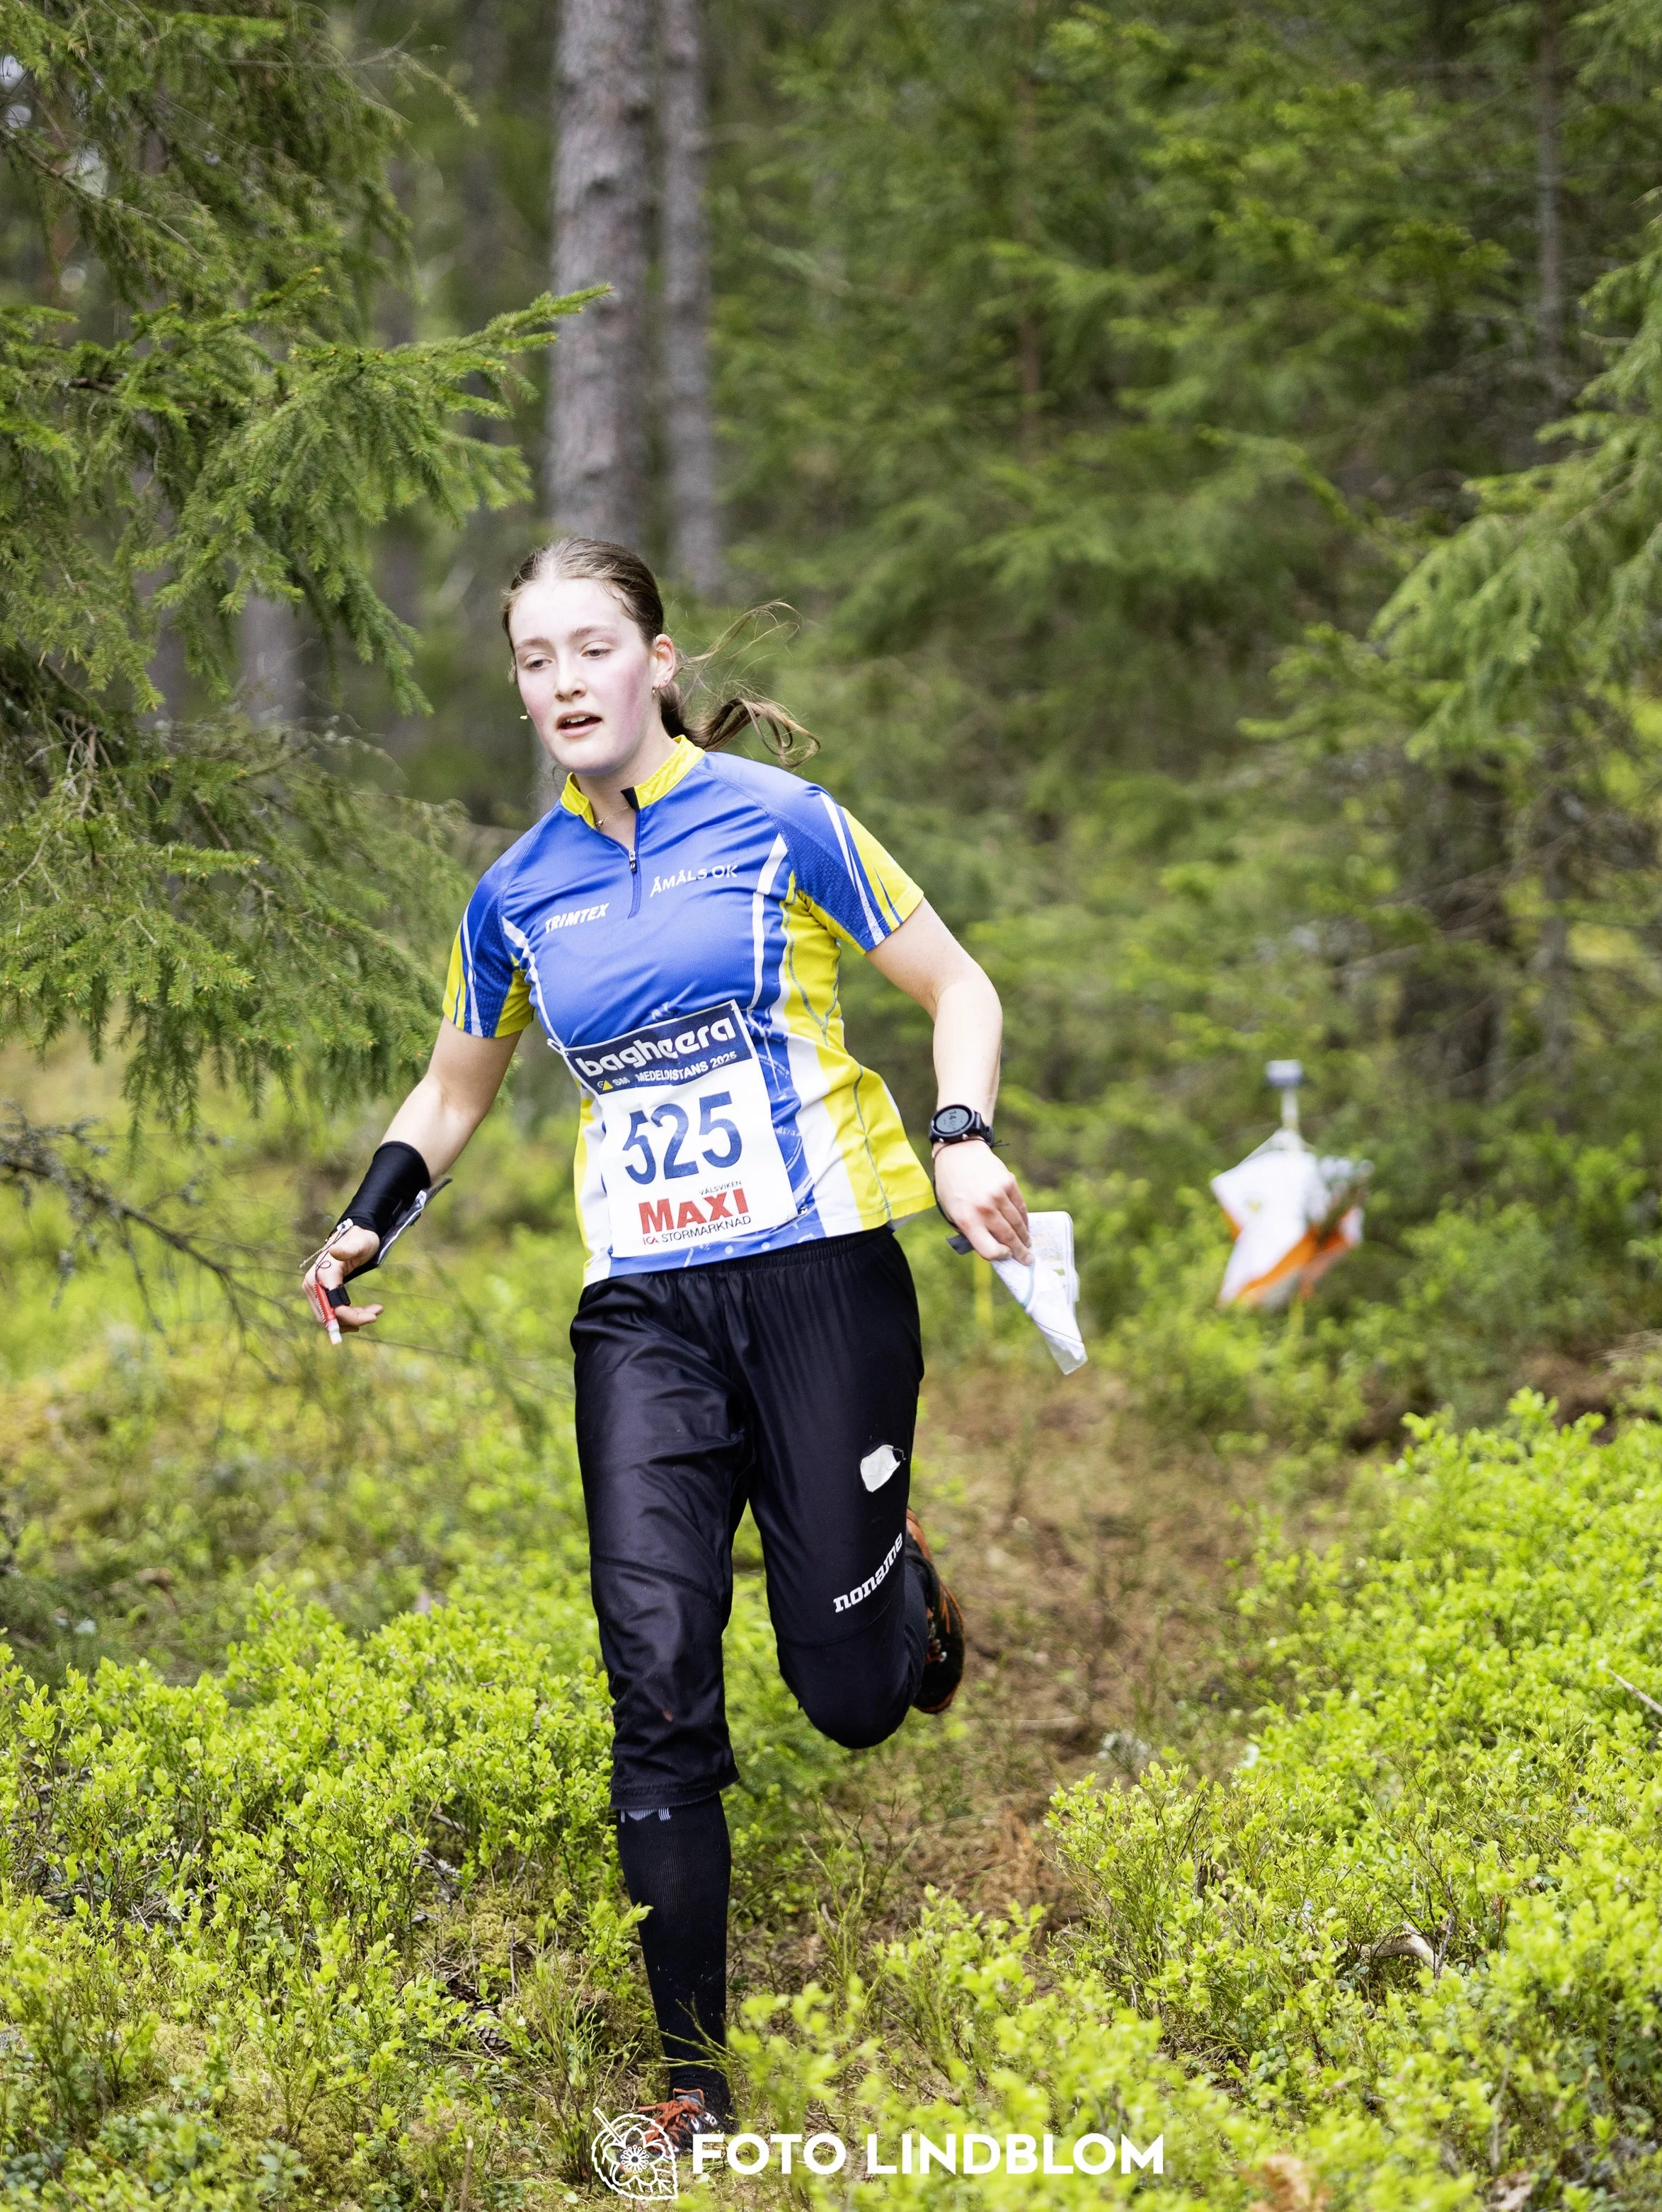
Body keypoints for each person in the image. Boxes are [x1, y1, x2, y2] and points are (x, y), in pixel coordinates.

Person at [302, 538, 1030, 2160]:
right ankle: (693, 2075)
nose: (563, 680)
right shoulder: (515, 891)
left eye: (590, 647)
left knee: (847, 1697)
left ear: (655, 660)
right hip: (645, 1308)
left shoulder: (778, 819)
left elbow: (956, 985)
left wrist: (962, 1132)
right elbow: (456, 1086)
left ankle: (893, 1582)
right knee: (653, 1672)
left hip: (821, 1275)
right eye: (533, 658)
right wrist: (366, 1219)